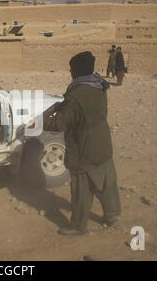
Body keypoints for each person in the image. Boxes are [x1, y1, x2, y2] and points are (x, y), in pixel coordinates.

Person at [43, 51, 121, 235]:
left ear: (76, 71)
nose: (70, 72)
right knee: (105, 181)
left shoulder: (77, 95)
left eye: (72, 69)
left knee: (81, 189)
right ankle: (112, 215)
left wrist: (41, 121)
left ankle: (78, 226)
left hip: (84, 148)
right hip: (102, 143)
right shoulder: (98, 86)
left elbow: (59, 123)